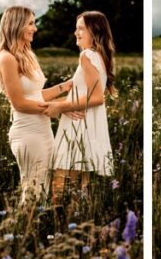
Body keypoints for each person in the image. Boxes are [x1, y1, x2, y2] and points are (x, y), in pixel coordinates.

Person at [0, 6, 76, 204]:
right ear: (16, 25)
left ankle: (33, 230)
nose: (35, 28)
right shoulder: (6, 58)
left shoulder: (26, 54)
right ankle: (21, 231)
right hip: (27, 132)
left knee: (43, 190)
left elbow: (36, 95)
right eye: (30, 23)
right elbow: (19, 103)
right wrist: (60, 107)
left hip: (43, 130)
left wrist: (65, 86)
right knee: (32, 193)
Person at [49, 11, 118, 205]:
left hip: (77, 124)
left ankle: (59, 226)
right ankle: (80, 224)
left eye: (81, 29)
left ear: (94, 32)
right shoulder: (99, 56)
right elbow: (85, 89)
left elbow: (96, 97)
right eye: (76, 28)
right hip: (87, 123)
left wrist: (60, 106)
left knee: (60, 188)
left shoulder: (87, 56)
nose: (75, 32)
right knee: (81, 187)